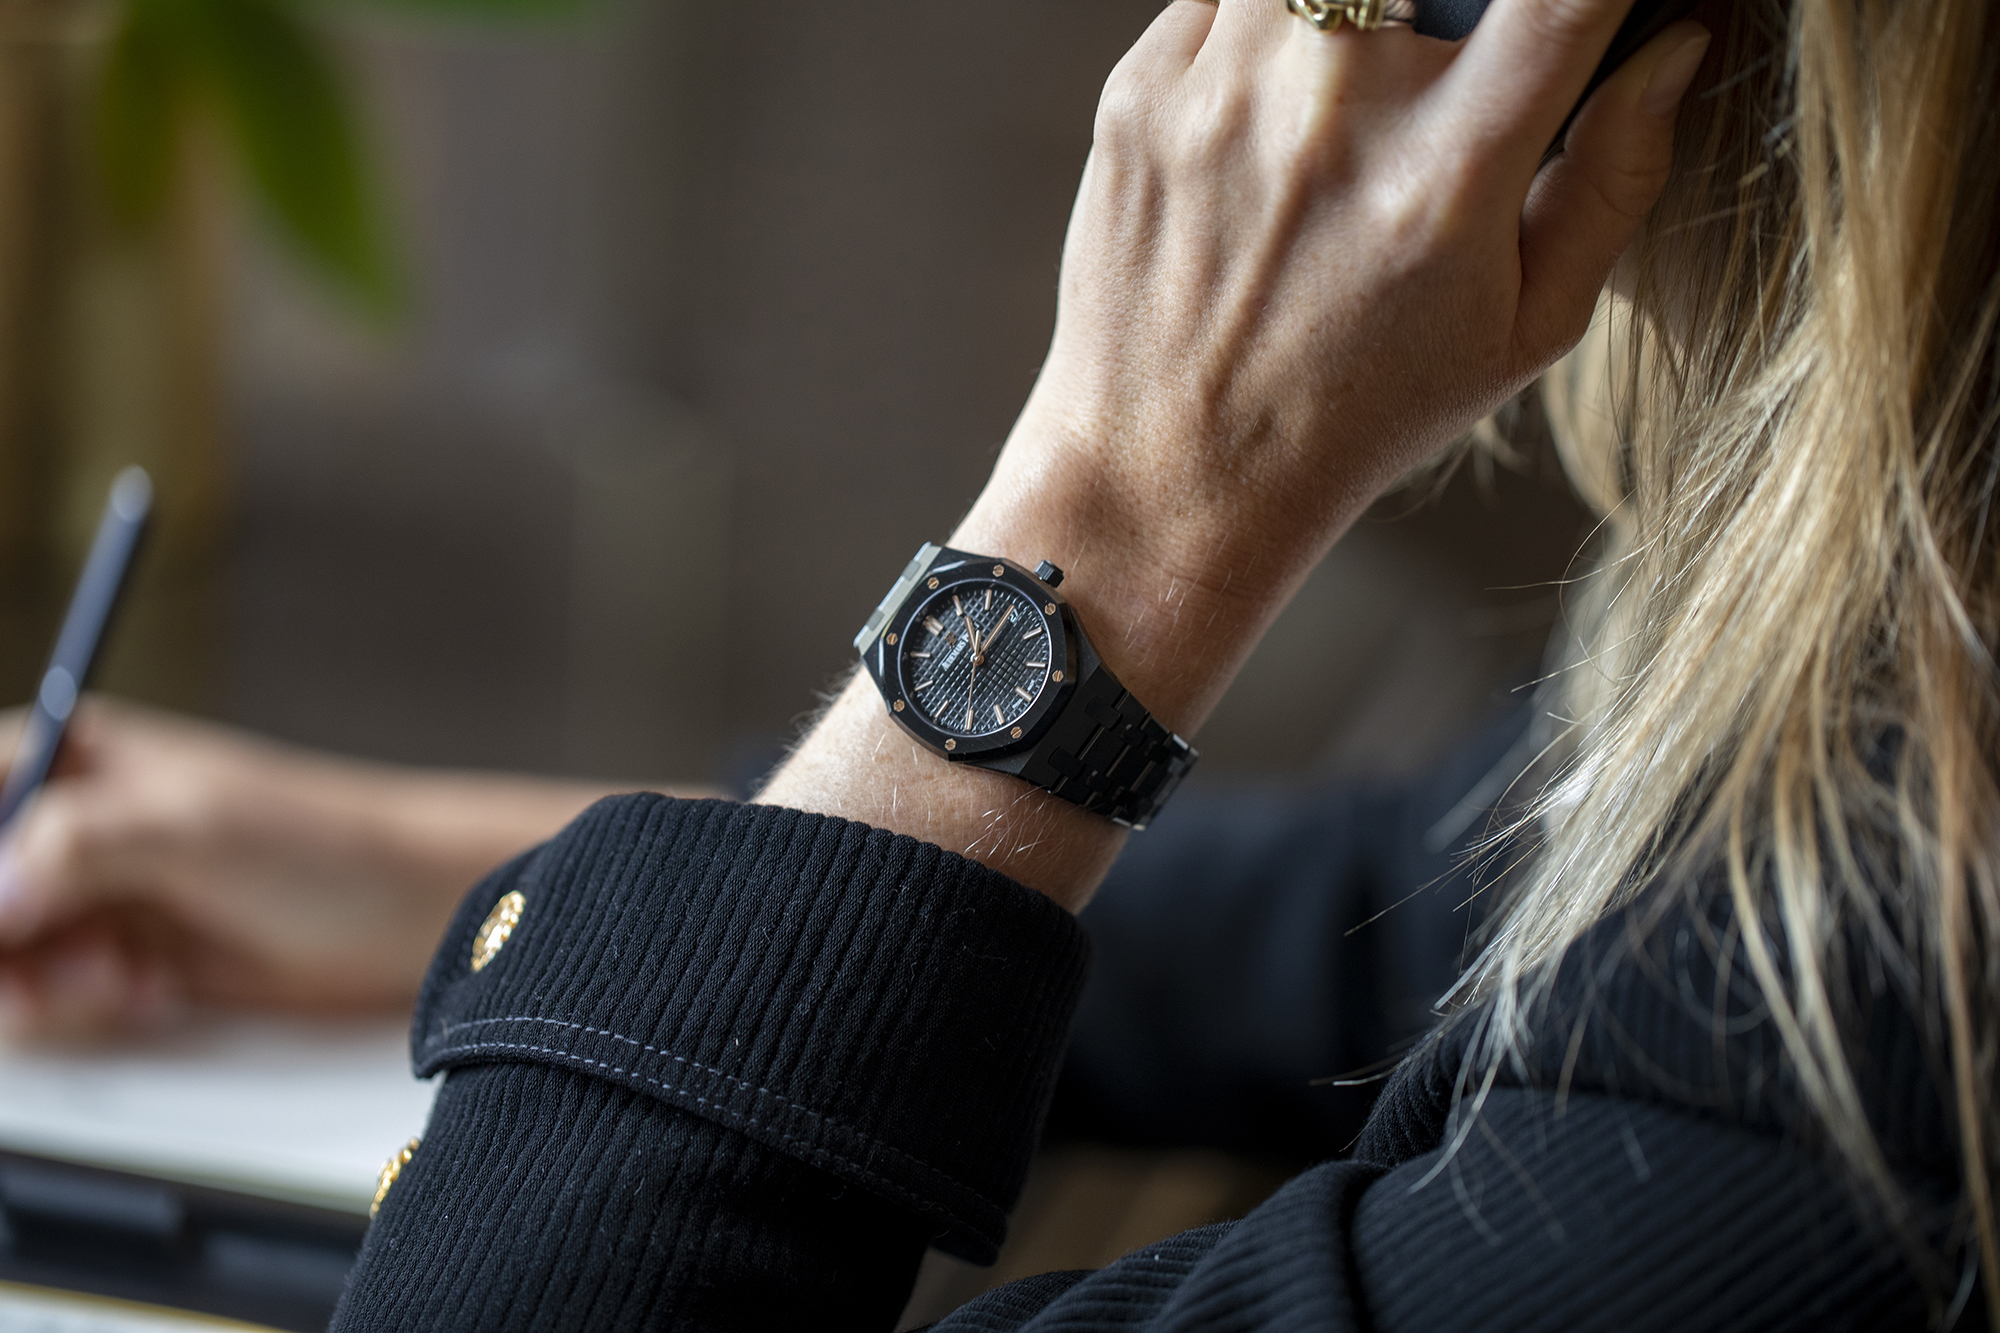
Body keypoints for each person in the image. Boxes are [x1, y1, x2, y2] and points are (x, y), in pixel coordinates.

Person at [4, 0, 1996, 1325]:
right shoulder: (1903, 660)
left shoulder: (1886, 1078)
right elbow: (1409, 901)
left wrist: (1119, 502)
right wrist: (427, 869)